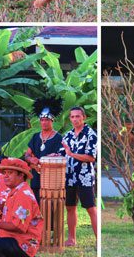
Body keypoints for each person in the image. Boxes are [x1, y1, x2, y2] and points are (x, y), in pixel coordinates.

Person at [62, 106, 97, 245]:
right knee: (70, 207)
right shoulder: (68, 135)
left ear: (84, 117)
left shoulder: (91, 135)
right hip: (69, 176)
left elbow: (91, 157)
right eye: (72, 116)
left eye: (78, 116)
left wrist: (72, 154)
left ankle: (98, 240)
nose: (75, 119)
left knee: (90, 208)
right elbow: (62, 152)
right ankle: (71, 239)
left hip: (85, 177)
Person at [24, 97, 64, 203]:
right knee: (36, 206)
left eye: (47, 120)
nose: (44, 122)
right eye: (42, 120)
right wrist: (31, 160)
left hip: (51, 180)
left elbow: (61, 157)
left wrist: (45, 161)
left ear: (52, 120)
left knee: (50, 208)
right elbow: (27, 155)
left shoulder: (59, 138)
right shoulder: (35, 137)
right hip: (36, 179)